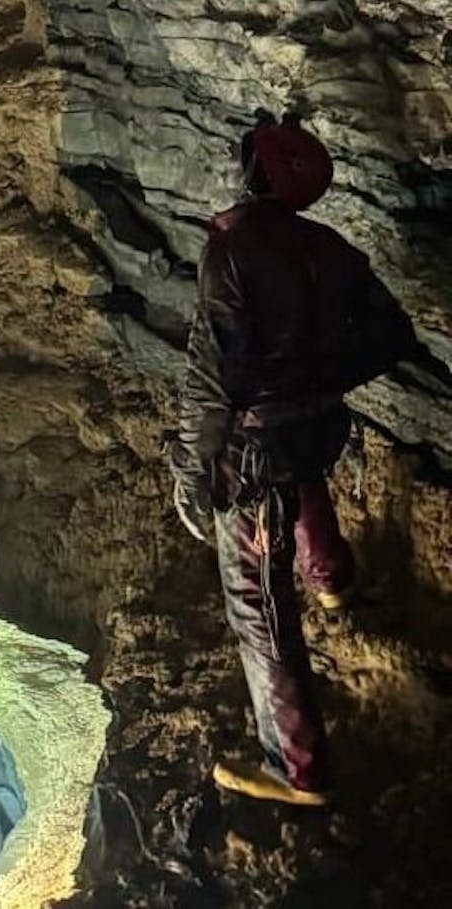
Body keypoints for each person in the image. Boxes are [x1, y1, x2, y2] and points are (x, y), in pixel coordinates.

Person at [169, 111, 452, 806]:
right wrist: (319, 377)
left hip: (255, 453)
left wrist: (190, 469)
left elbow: (213, 378)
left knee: (258, 609)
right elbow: (393, 333)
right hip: (312, 428)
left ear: (252, 172)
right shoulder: (330, 247)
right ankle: (332, 578)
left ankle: (297, 769)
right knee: (305, 479)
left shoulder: (230, 254)